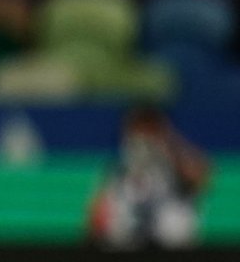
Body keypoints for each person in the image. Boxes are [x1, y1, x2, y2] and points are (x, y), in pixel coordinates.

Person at [88, 105, 211, 249]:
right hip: (126, 252)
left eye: (150, 130)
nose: (144, 138)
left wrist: (169, 144)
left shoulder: (178, 164)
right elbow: (97, 219)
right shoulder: (118, 170)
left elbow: (199, 177)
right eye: (138, 130)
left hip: (173, 253)